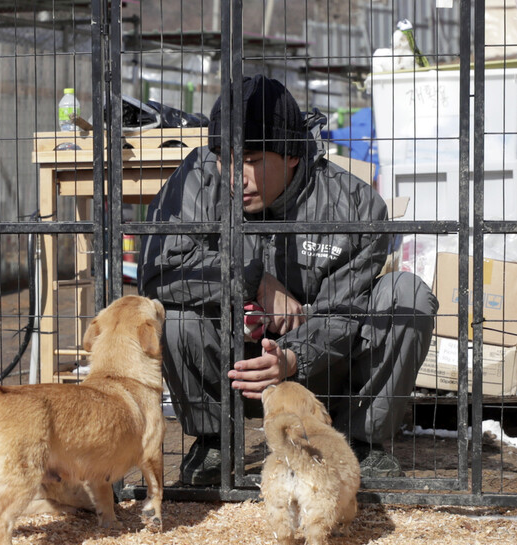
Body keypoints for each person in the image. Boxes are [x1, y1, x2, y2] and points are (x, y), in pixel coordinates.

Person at [138, 74, 438, 484]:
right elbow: (158, 270)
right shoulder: (198, 177)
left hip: (321, 374)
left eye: (252, 161)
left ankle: (362, 445)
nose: (235, 176)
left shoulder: (354, 205)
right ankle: (213, 444)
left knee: (407, 295)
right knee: (170, 310)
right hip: (232, 366)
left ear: (293, 155)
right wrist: (253, 280)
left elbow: (344, 312)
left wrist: (292, 357)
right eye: (226, 157)